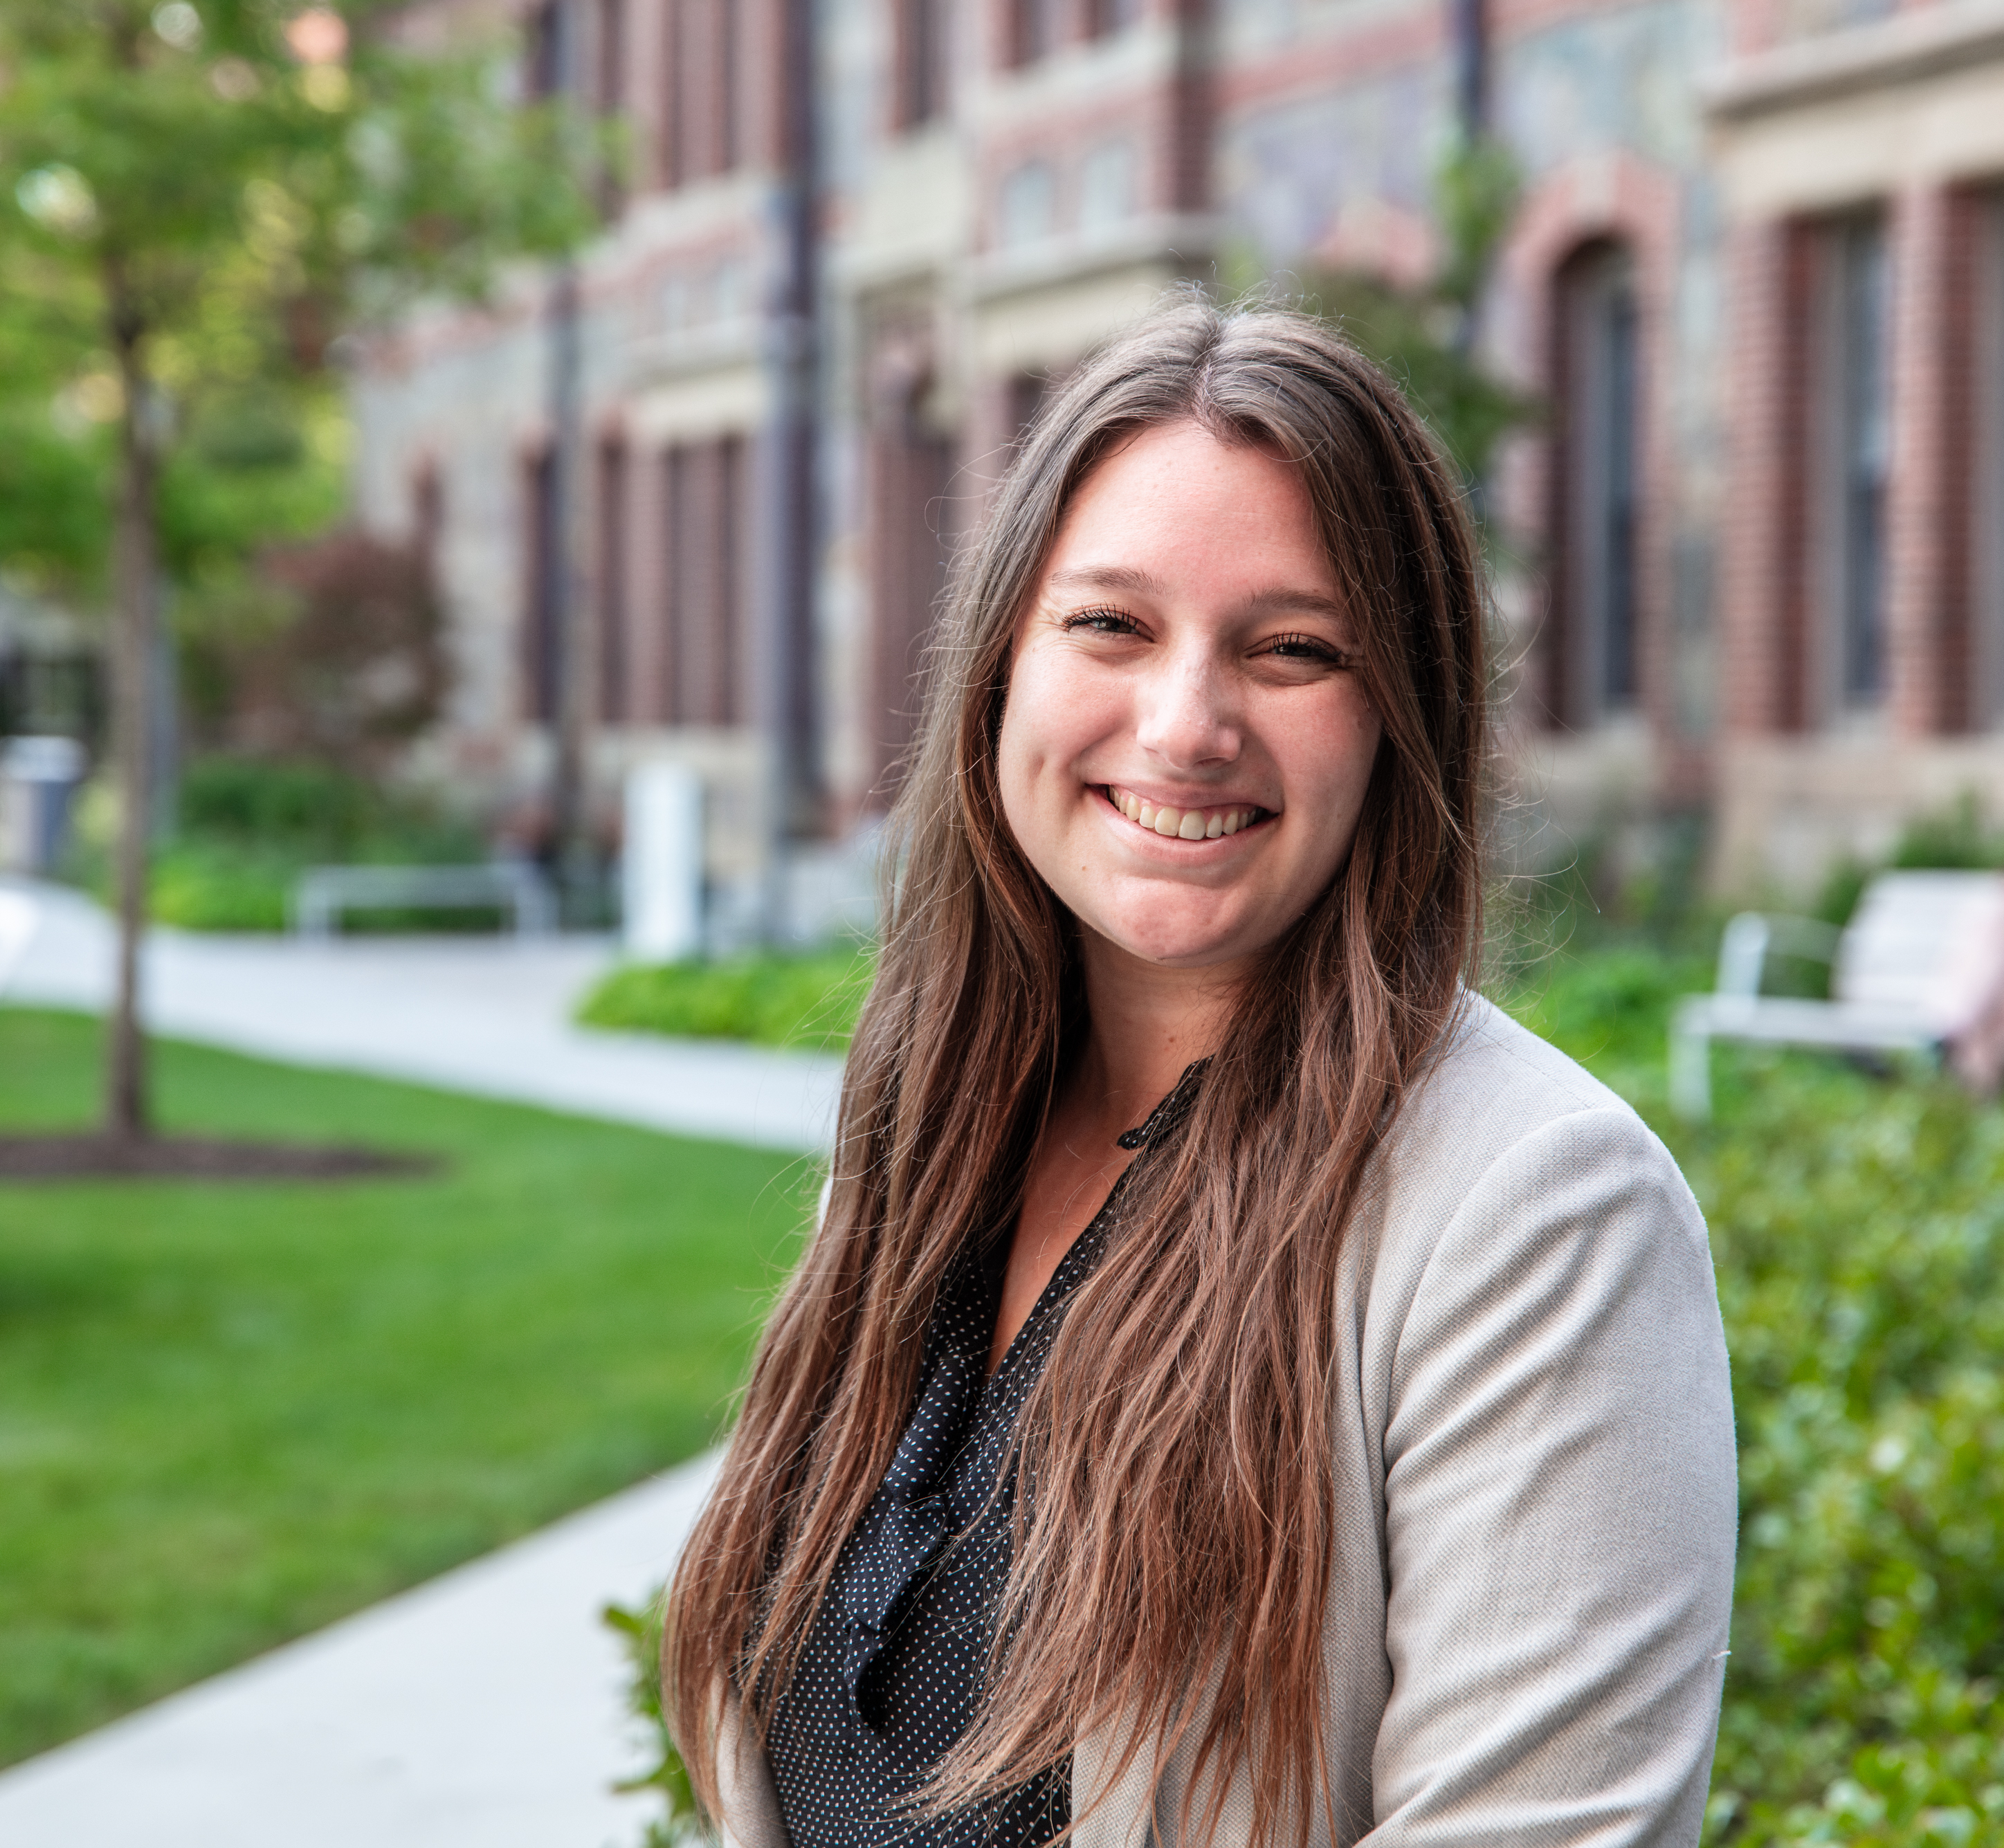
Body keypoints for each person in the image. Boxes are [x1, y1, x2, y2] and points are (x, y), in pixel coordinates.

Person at [660, 297, 1738, 1848]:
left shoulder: (1538, 1209)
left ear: (1399, 716)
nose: (1185, 725)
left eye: (1293, 648)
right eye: (1111, 625)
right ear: (1000, 674)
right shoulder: (919, 1147)